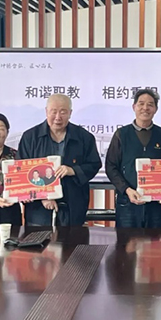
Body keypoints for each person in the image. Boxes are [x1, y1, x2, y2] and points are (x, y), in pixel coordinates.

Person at [17, 94, 101, 226]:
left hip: (73, 206)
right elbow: (21, 172)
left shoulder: (84, 137)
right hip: (39, 210)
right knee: (38, 239)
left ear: (70, 113)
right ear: (46, 111)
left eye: (63, 112)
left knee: (72, 238)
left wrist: (72, 170)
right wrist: (43, 196)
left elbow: (94, 164)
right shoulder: (30, 137)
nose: (58, 117)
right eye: (53, 111)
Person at [105, 88, 161, 228]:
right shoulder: (121, 134)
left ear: (156, 109)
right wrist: (126, 189)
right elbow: (111, 166)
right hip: (128, 202)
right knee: (126, 241)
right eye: (141, 104)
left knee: (155, 241)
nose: (145, 108)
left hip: (155, 205)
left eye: (150, 104)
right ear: (134, 107)